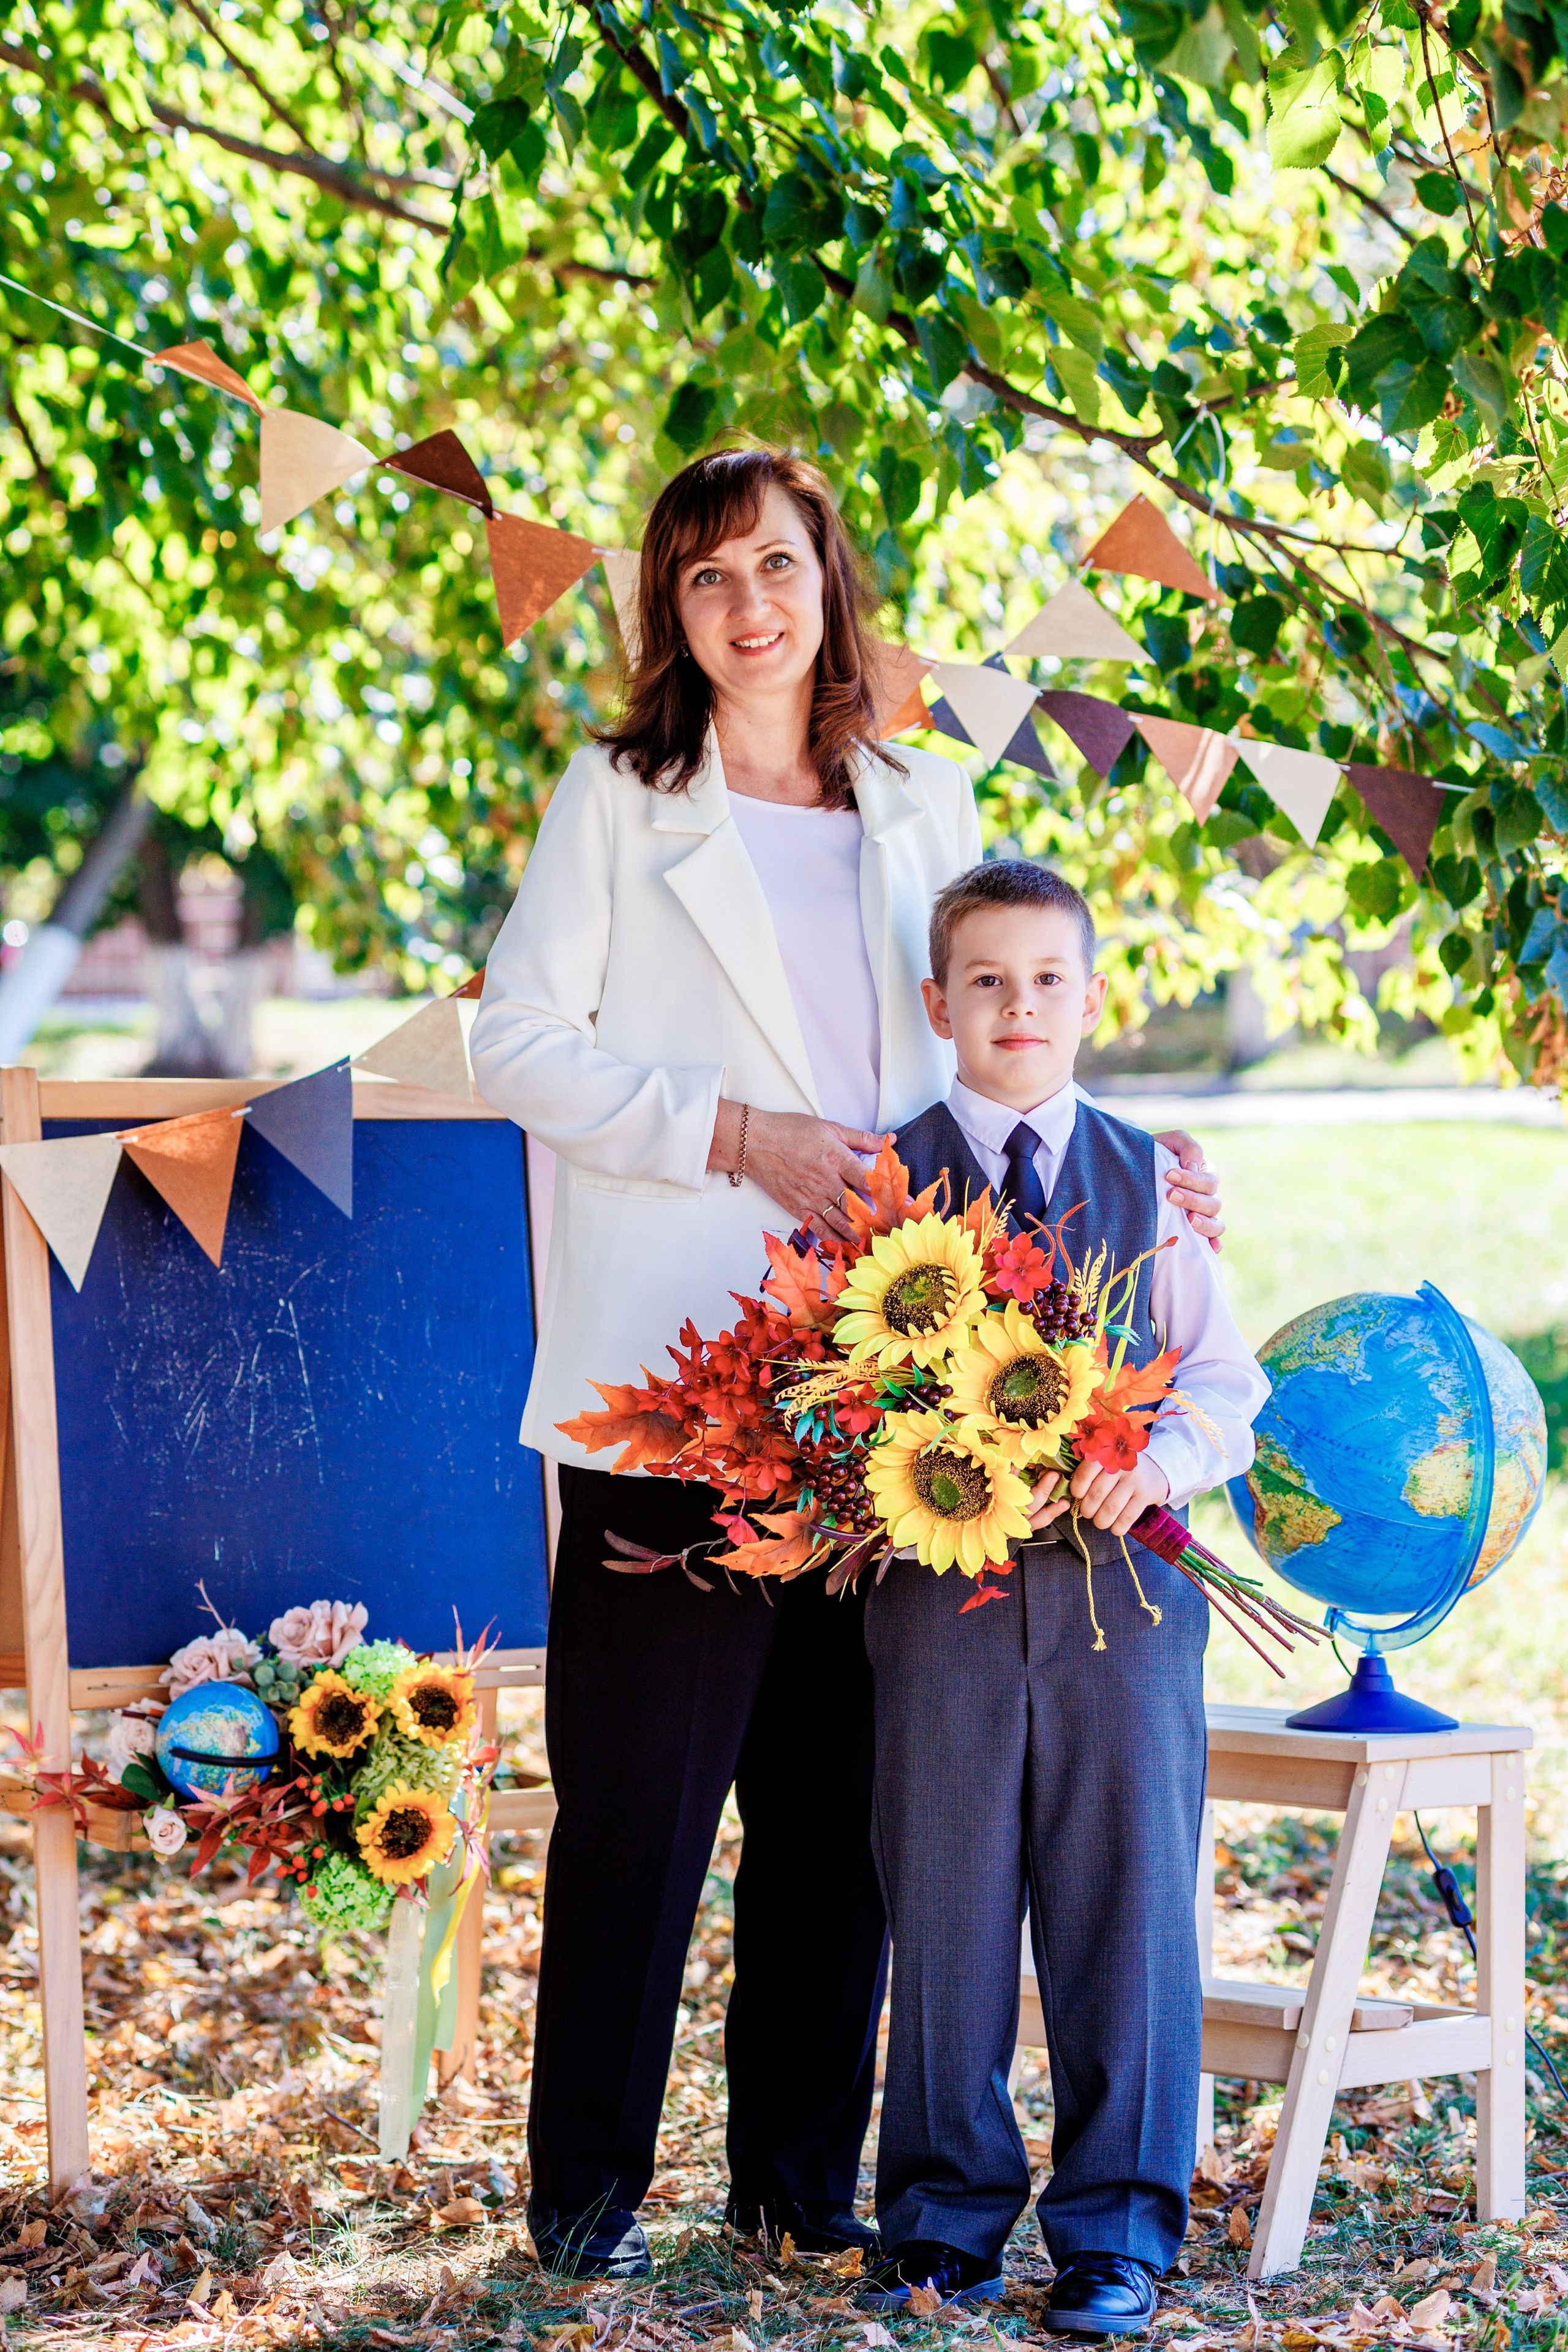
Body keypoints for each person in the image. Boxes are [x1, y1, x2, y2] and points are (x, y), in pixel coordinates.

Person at [469, 448, 1227, 2282]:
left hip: (887, 1391)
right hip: (670, 1383)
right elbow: (516, 1042)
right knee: (642, 1810)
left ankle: (799, 2187)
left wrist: (1146, 1170)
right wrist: (735, 1135)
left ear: (830, 584)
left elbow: (997, 1026)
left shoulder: (917, 792)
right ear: (671, 607)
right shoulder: (619, 796)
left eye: (780, 564)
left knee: (837, 1817)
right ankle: (587, 2197)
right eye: (709, 573)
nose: (751, 603)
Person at [854, 858, 1268, 2335]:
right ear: (937, 1004)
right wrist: (948, 1471)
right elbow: (828, 1393)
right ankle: (940, 2216)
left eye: (1044, 980)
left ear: (1089, 999)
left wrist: (1150, 1462)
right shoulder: (878, 1180)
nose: (1015, 1006)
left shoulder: (1152, 1178)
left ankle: (1118, 2229)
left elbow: (1225, 1380)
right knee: (944, 1902)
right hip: (939, 1603)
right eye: (985, 981)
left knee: (1125, 1906)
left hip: (1126, 1603)